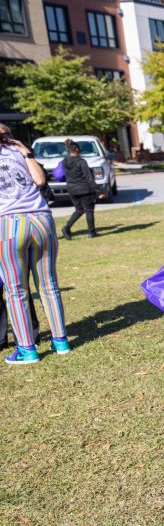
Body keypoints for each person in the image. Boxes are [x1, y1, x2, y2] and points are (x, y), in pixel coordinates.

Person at [0, 124, 70, 363]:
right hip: (41, 218)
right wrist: (26, 152)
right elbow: (39, 180)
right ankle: (61, 342)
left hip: (8, 223)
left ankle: (27, 350)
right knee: (49, 285)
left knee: (16, 290)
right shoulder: (18, 151)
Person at [61, 139, 103, 239]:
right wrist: (98, 190)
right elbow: (89, 178)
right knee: (89, 211)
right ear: (77, 149)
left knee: (79, 210)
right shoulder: (81, 162)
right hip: (84, 189)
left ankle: (66, 227)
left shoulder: (64, 161)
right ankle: (91, 232)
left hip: (71, 189)